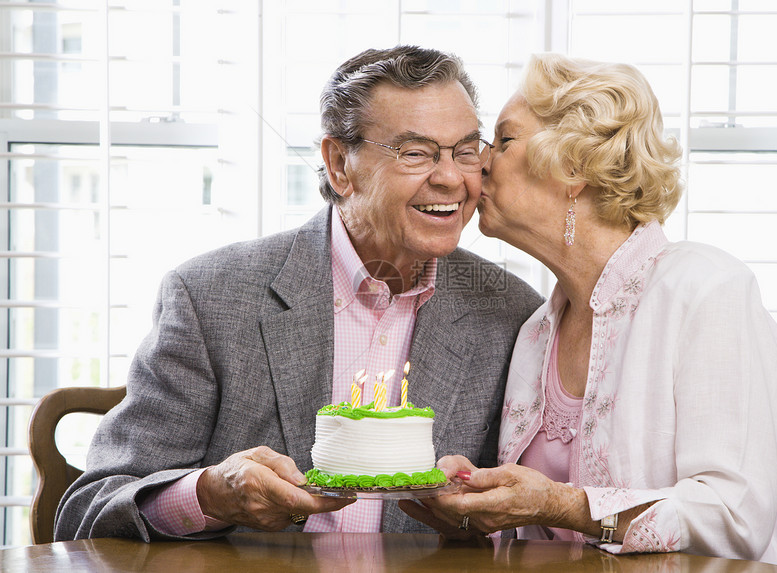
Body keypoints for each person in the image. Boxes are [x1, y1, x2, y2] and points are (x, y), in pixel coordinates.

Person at [55, 45, 543, 541]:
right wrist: (209, 495)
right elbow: (88, 511)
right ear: (339, 165)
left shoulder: (513, 314)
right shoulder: (209, 298)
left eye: (464, 151)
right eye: (416, 153)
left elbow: (531, 525)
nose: (450, 179)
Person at [400, 53, 777, 572]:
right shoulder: (536, 331)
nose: (479, 163)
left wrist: (561, 503)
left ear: (573, 166)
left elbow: (734, 520)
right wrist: (474, 509)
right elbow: (536, 535)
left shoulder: (708, 292)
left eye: (505, 140)